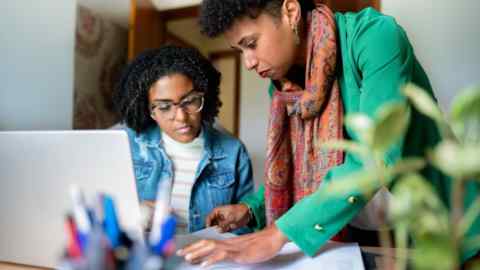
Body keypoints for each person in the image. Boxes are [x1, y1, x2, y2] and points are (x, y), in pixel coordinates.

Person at [177, 0, 480, 266]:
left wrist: (276, 234)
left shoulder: (375, 37)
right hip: (349, 235)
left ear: (291, 11)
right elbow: (292, 171)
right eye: (239, 49)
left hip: (443, 227)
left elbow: (376, 157)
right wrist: (250, 209)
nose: (249, 62)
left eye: (252, 43)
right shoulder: (284, 90)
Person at [113, 45, 254, 234]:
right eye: (164, 107)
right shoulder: (127, 145)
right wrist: (135, 213)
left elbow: (245, 225)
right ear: (148, 110)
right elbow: (99, 214)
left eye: (190, 101)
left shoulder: (233, 151)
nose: (181, 117)